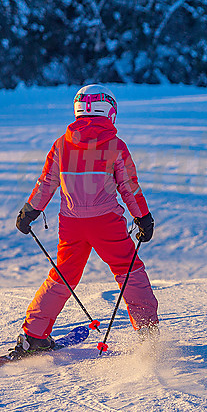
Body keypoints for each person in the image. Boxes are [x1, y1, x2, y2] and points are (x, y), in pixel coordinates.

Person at [12, 84, 158, 357]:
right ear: (109, 111)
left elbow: (47, 183)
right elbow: (129, 186)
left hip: (72, 224)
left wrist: (29, 210)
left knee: (62, 277)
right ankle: (147, 332)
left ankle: (33, 335)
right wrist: (143, 218)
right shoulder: (115, 146)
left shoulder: (61, 144)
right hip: (106, 223)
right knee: (130, 271)